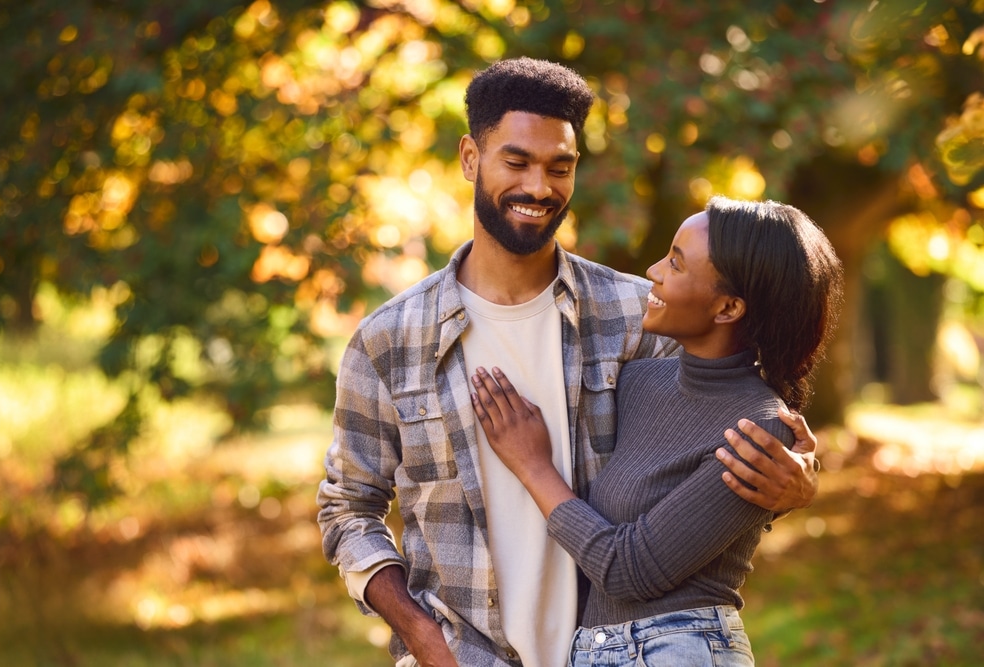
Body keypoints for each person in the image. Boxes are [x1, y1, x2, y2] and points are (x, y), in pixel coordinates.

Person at [317, 58, 820, 667]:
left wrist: (798, 482)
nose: (539, 187)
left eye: (560, 167)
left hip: (612, 650)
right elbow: (349, 508)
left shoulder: (640, 316)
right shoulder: (390, 340)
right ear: (471, 158)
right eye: (517, 162)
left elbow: (728, 414)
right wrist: (424, 640)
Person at [469, 195, 843, 666]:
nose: (653, 270)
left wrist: (531, 464)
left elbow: (630, 570)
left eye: (676, 264)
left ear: (728, 307)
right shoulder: (641, 380)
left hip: (677, 649)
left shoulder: (759, 427)